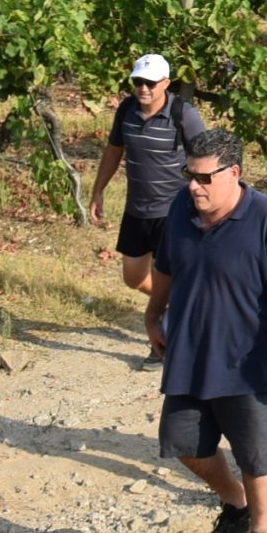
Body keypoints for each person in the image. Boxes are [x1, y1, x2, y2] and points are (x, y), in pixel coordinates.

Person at [145, 129, 267, 533]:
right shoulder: (181, 209)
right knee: (184, 443)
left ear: (233, 172)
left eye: (204, 178)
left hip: (251, 363)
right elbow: (164, 267)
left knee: (256, 457)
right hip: (191, 354)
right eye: (189, 175)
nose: (193, 186)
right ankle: (236, 504)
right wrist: (153, 314)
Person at [89, 54, 209, 340]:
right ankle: (182, 307)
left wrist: (208, 204)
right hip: (136, 209)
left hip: (173, 211)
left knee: (165, 274)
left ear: (166, 83)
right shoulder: (127, 110)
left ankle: (163, 341)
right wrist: (98, 191)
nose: (143, 88)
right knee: (133, 278)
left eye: (150, 83)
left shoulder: (183, 115)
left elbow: (206, 159)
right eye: (138, 82)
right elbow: (114, 150)